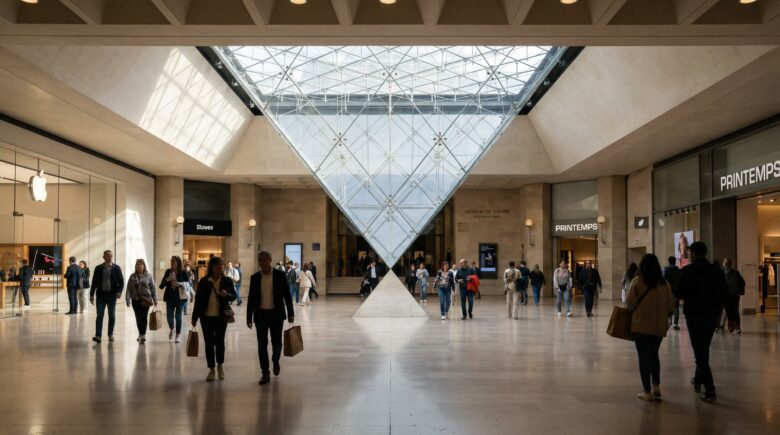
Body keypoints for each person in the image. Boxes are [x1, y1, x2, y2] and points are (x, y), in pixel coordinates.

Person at [676, 241, 728, 403]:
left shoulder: (687, 271)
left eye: (690, 252)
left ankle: (710, 389)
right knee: (703, 348)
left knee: (700, 352)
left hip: (694, 315)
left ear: (694, 254)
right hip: (712, 315)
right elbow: (725, 294)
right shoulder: (717, 271)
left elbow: (678, 292)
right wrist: (732, 318)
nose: (689, 255)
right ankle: (698, 380)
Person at [626, 254, 676, 401]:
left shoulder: (637, 281)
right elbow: (671, 306)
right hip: (659, 326)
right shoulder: (664, 284)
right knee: (654, 355)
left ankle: (646, 391)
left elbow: (629, 303)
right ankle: (656, 386)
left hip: (641, 325)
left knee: (643, 357)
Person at [247, 251, 294, 385]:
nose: (261, 262)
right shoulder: (255, 277)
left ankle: (275, 359)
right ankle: (265, 373)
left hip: (276, 315)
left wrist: (291, 313)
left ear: (270, 260)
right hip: (260, 315)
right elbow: (251, 298)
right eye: (259, 260)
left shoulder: (280, 275)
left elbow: (287, 296)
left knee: (277, 342)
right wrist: (248, 316)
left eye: (264, 260)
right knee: (262, 345)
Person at [192, 256, 236, 381]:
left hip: (221, 317)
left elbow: (234, 296)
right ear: (211, 267)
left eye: (222, 265)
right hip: (206, 318)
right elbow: (198, 300)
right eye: (217, 265)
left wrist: (226, 295)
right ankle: (211, 369)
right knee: (209, 343)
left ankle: (220, 366)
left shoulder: (227, 280)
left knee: (220, 342)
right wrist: (194, 317)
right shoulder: (204, 281)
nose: (220, 267)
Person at [89, 250, 124, 343]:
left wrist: (119, 292)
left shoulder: (116, 268)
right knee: (100, 315)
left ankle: (110, 334)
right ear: (103, 257)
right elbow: (94, 282)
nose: (110, 258)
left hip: (112, 296)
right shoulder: (98, 268)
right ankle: (98, 335)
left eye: (111, 256)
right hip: (100, 295)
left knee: (111, 315)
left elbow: (121, 282)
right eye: (108, 256)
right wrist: (91, 295)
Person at [159, 256, 191, 343]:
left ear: (178, 262)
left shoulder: (183, 272)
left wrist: (179, 284)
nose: (172, 263)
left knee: (178, 316)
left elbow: (188, 285)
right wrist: (167, 279)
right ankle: (172, 329)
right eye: (171, 261)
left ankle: (178, 334)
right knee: (169, 316)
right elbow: (161, 286)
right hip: (169, 297)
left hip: (180, 298)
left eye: (174, 261)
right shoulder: (168, 271)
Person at [125, 259, 157, 344]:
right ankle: (140, 333)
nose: (139, 266)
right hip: (135, 300)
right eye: (138, 264)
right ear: (136, 266)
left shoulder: (149, 276)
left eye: (141, 264)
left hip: (146, 299)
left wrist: (155, 299)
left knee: (143, 316)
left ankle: (143, 335)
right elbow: (128, 288)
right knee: (138, 317)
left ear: (144, 266)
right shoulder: (132, 276)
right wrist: (127, 299)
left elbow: (153, 288)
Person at [717, 257, 745, 334]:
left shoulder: (722, 272)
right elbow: (742, 282)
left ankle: (725, 327)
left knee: (729, 310)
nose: (725, 264)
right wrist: (739, 290)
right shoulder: (734, 272)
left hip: (729, 295)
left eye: (725, 262)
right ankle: (735, 327)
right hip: (732, 294)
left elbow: (742, 282)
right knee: (733, 311)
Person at [662, 257, 682, 330]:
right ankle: (675, 324)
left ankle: (669, 321)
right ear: (675, 261)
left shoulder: (665, 270)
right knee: (676, 307)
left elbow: (663, 281)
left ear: (668, 261)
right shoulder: (679, 271)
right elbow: (680, 281)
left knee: (667, 306)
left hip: (667, 291)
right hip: (676, 291)